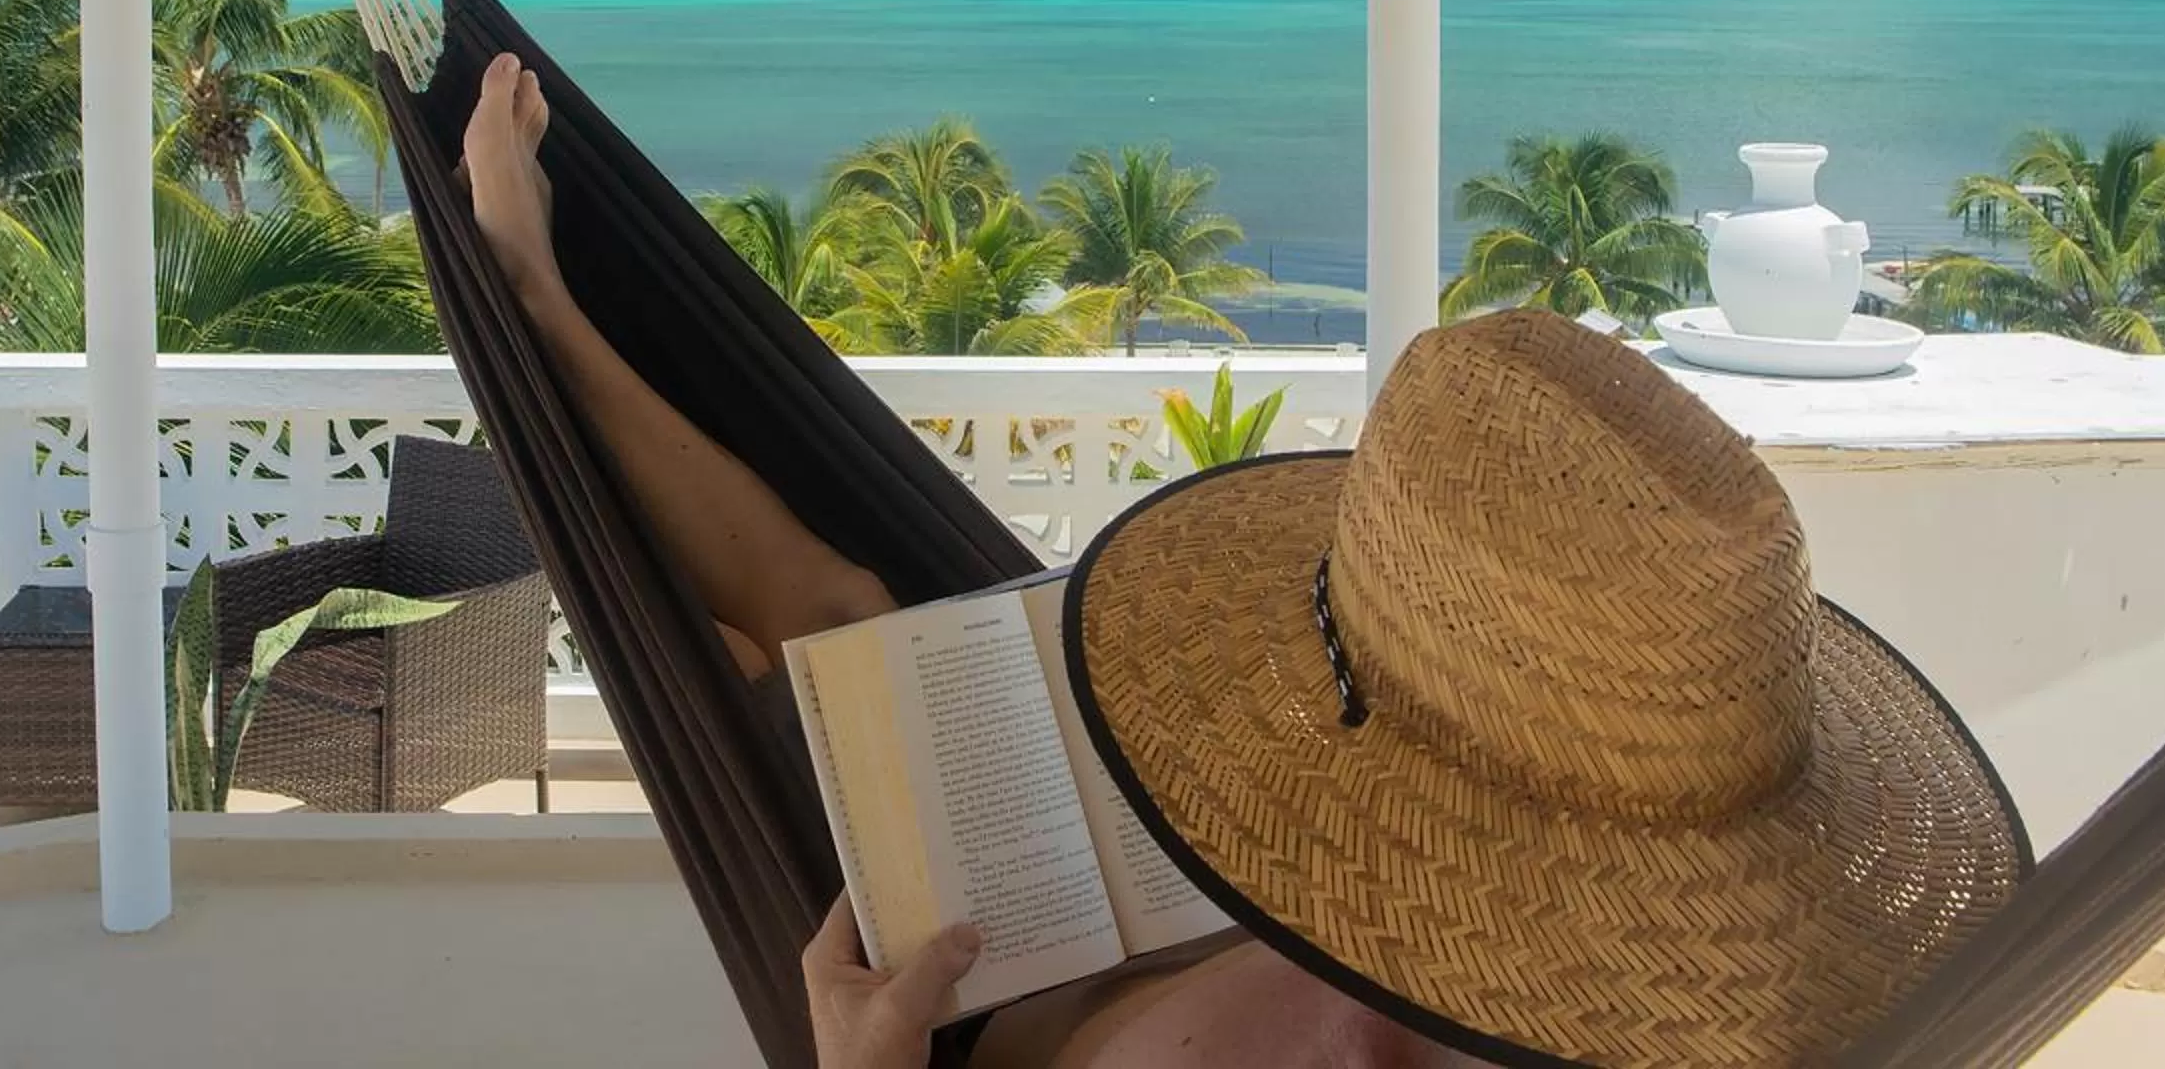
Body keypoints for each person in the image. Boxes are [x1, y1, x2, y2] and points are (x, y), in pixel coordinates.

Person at [462, 53, 2025, 1069]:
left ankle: (533, 296)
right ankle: (540, 300)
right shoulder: (1655, 997)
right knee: (841, 616)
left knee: (779, 645)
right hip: (1133, 943)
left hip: (985, 1005)